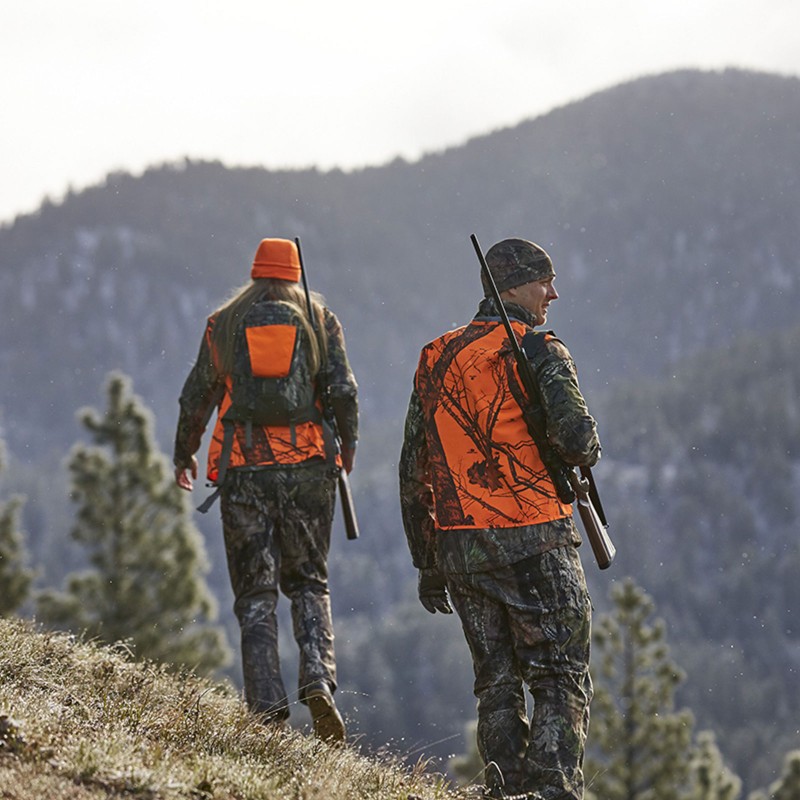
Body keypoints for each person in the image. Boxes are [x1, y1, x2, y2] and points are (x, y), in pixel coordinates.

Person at [399, 238, 600, 800]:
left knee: (496, 683)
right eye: (544, 281)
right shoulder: (540, 350)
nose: (553, 293)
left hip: (461, 546)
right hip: (535, 537)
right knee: (560, 675)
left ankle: (505, 791)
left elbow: (414, 468)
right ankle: (552, 790)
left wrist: (428, 561)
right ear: (511, 286)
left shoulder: (435, 355)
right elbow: (578, 441)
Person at [173, 237, 358, 743]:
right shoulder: (320, 321)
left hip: (244, 469)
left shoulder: (225, 324)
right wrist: (346, 452)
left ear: (255, 273)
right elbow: (344, 392)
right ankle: (317, 679)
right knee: (309, 582)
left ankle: (265, 705)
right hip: (309, 471)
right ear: (295, 273)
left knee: (256, 592)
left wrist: (183, 452)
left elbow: (197, 396)